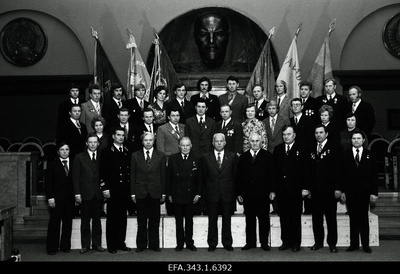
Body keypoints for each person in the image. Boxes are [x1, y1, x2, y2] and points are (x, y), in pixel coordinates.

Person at [341, 130, 379, 253]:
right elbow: (342, 175)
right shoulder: (345, 155)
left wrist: (374, 193)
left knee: (363, 219)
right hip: (350, 192)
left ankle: (366, 244)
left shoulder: (370, 155)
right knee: (353, 219)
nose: (356, 140)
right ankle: (354, 244)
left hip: (365, 192)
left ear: (363, 140)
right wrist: (342, 191)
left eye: (358, 138)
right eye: (354, 138)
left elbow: (374, 176)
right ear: (351, 140)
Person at [273, 126, 309, 252]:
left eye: (288, 134)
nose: (286, 137)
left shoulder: (302, 149)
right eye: (284, 134)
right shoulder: (277, 150)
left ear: (294, 135)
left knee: (295, 216)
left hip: (296, 189)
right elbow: (275, 171)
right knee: (284, 216)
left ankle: (295, 243)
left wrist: (305, 188)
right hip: (282, 190)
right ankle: (285, 241)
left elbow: (306, 170)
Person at [200, 133, 238, 251]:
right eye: (217, 141)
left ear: (225, 142)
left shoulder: (232, 157)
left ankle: (227, 243)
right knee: (212, 220)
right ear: (213, 143)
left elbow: (235, 176)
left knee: (227, 220)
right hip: (212, 194)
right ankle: (212, 243)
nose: (219, 143)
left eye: (221, 141)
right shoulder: (206, 157)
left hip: (227, 194)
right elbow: (203, 178)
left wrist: (236, 194)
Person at [237, 132, 274, 251]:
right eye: (252, 141)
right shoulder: (243, 157)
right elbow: (239, 177)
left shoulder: (268, 156)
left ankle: (264, 243)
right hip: (248, 194)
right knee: (250, 219)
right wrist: (239, 193)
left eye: (257, 141)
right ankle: (250, 242)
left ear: (261, 142)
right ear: (249, 142)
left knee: (264, 219)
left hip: (263, 194)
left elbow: (272, 175)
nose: (254, 143)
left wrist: (272, 190)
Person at [308, 125, 342, 253]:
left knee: (330, 218)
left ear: (326, 134)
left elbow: (338, 170)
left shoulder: (334, 148)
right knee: (316, 218)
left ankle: (332, 243)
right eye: (316, 132)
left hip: (329, 190)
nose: (318, 135)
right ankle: (318, 242)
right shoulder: (311, 148)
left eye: (321, 132)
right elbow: (309, 170)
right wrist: (309, 188)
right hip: (315, 190)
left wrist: (338, 188)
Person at [130, 132, 166, 252]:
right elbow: (133, 175)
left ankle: (154, 244)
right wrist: (133, 193)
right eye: (146, 140)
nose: (148, 142)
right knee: (141, 221)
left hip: (155, 192)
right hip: (140, 192)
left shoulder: (160, 155)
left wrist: (164, 192)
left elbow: (163, 175)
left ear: (154, 141)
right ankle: (141, 245)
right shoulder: (135, 155)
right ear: (142, 142)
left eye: (150, 140)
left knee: (154, 220)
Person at [99, 127, 132, 254]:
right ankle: (112, 244)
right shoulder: (107, 151)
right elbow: (102, 172)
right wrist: (104, 187)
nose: (121, 137)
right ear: (113, 136)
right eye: (118, 135)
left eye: (123, 135)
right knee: (112, 218)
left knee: (123, 218)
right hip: (112, 190)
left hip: (124, 190)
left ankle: (120, 242)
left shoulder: (127, 151)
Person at [72, 134, 106, 254]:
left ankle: (97, 244)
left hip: (98, 194)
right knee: (85, 221)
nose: (92, 144)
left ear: (98, 143)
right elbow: (75, 177)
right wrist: (77, 194)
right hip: (85, 194)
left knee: (97, 221)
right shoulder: (79, 157)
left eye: (95, 142)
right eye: (90, 142)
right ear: (86, 143)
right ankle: (85, 245)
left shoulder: (103, 156)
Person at [166, 137, 201, 251]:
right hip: (177, 193)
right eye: (183, 145)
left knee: (189, 221)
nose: (185, 147)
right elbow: (169, 178)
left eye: (187, 145)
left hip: (191, 195)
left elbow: (200, 178)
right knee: (179, 221)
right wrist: (169, 194)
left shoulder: (197, 158)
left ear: (191, 146)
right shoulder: (172, 158)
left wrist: (198, 193)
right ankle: (180, 243)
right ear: (179, 146)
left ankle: (190, 243)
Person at [44, 142, 74, 255]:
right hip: (56, 199)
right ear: (58, 152)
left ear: (69, 151)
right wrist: (50, 197)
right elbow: (48, 183)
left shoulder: (74, 163)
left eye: (67, 149)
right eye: (62, 149)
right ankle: (52, 247)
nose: (65, 151)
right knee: (54, 223)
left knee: (68, 223)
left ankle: (65, 246)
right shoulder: (52, 164)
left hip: (70, 199)